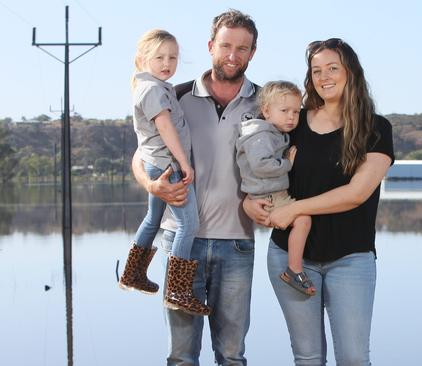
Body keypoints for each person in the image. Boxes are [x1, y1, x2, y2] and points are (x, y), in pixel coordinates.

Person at [131, 9, 266, 366]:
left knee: (233, 355)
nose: (233, 55)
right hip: (180, 242)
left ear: (253, 52)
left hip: (237, 244)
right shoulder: (173, 95)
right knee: (181, 357)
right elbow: (142, 154)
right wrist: (151, 184)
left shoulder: (267, 104)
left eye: (242, 48)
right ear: (210, 46)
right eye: (225, 45)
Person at [265, 38, 394, 366]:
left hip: (350, 259)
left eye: (332, 68)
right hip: (291, 259)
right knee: (308, 358)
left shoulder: (376, 129)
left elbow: (357, 193)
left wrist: (295, 208)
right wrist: (249, 205)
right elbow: (261, 172)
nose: (324, 76)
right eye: (316, 70)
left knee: (353, 358)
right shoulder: (292, 123)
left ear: (351, 72)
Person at [119, 29, 208, 316]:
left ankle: (132, 275)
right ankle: (178, 291)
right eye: (159, 57)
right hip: (168, 165)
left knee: (153, 218)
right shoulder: (154, 90)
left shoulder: (153, 85)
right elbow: (166, 128)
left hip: (157, 164)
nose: (167, 62)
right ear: (143, 59)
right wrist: (184, 162)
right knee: (188, 225)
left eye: (172, 57)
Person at [235, 81, 315, 296]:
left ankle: (294, 267)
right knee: (303, 220)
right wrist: (287, 163)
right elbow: (261, 165)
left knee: (302, 219)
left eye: (296, 112)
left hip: (270, 191)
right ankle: (294, 270)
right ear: (266, 111)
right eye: (284, 111)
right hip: (268, 194)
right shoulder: (260, 135)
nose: (291, 117)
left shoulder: (271, 132)